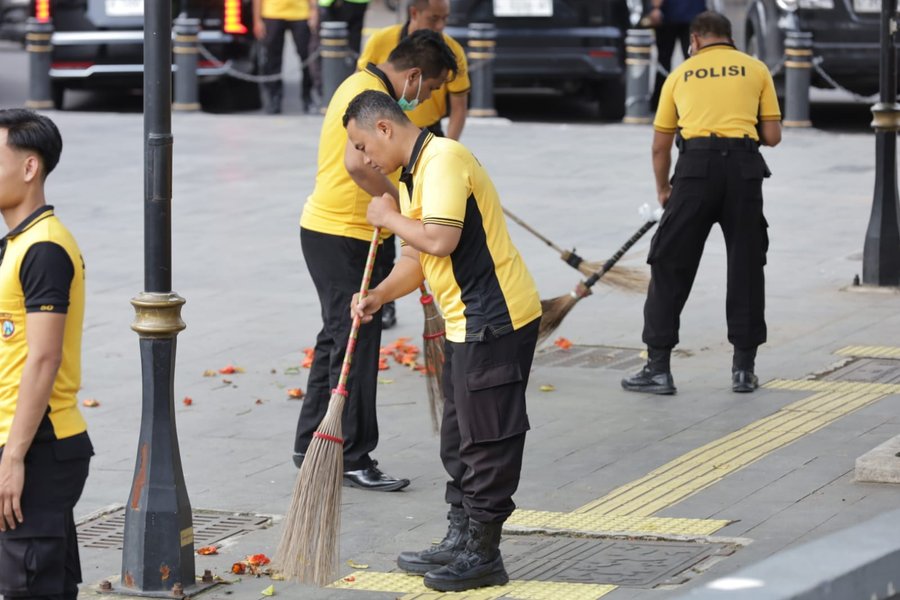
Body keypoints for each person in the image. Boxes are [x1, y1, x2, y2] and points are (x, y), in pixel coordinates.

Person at [344, 90, 542, 592]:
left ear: (385, 128)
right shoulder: (413, 174)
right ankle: (459, 535)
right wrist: (378, 296)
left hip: (494, 319)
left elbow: (440, 239)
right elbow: (416, 259)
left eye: (363, 145)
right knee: (458, 435)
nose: (364, 159)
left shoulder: (445, 159)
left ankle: (484, 552)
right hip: (463, 322)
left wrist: (386, 217)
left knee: (488, 438)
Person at [295, 30, 457, 491]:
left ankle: (311, 443)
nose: (425, 98)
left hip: (334, 229)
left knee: (337, 336)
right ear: (413, 75)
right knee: (355, 344)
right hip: (343, 231)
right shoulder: (370, 97)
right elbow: (357, 164)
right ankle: (351, 455)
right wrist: (405, 206)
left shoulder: (361, 82)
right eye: (428, 89)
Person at [621, 11, 782, 396]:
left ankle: (658, 369)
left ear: (694, 40)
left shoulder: (680, 74)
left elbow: (660, 146)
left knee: (670, 264)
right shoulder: (755, 69)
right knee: (746, 265)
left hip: (694, 171)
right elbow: (773, 136)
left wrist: (663, 189)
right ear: (730, 38)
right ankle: (743, 370)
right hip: (744, 172)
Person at [0, 109, 93, 599]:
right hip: (22, 439)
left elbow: (43, 358)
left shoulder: (45, 248)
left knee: (27, 586)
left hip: (38, 444)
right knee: (43, 583)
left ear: (29, 167)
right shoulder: (18, 244)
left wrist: (13, 457)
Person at [357, 0, 471, 327]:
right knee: (389, 217)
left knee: (425, 218)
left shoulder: (452, 51)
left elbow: (459, 107)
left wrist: (447, 152)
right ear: (414, 14)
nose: (440, 27)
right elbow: (364, 94)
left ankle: (437, 286)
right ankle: (385, 294)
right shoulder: (382, 42)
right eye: (433, 19)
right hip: (385, 137)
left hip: (428, 135)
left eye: (445, 19)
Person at [253, 0, 319, 114]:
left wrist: (314, 10)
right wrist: (257, 20)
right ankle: (275, 98)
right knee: (272, 59)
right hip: (272, 13)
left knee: (306, 57)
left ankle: (307, 97)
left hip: (300, 13)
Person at [647, 0, 706, 109]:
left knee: (689, 61)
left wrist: (655, 8)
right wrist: (656, 8)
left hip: (682, 14)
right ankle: (694, 100)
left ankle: (661, 101)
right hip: (677, 14)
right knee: (691, 61)